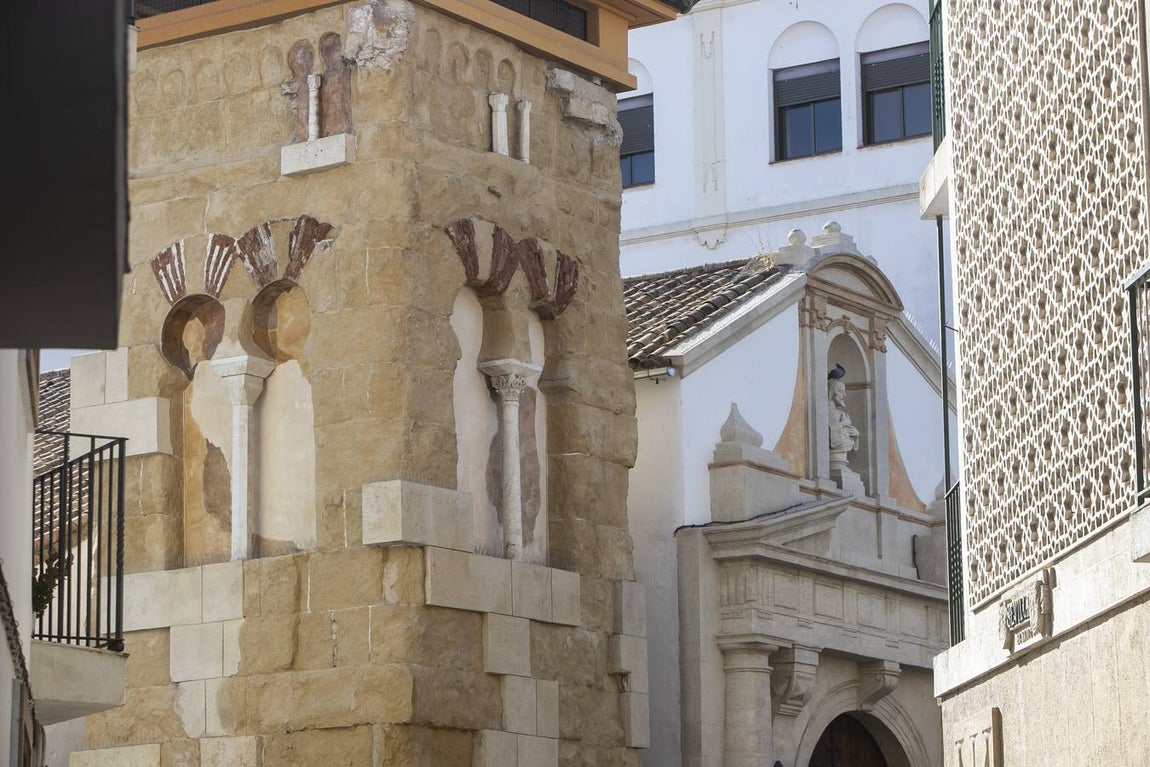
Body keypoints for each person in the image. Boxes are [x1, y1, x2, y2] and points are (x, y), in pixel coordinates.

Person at [828, 378, 859, 461]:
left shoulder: (842, 414)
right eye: (841, 391)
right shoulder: (827, 412)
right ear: (832, 392)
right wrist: (843, 424)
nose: (845, 395)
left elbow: (847, 437)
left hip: (842, 457)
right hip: (833, 457)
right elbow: (830, 437)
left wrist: (855, 436)